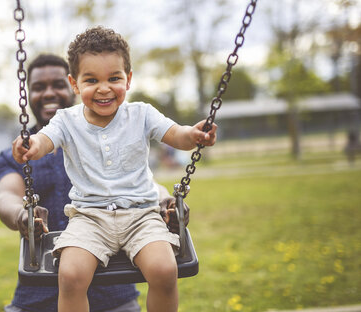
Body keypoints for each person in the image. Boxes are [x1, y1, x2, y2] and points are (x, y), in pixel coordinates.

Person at [12, 27, 217, 312]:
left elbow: (176, 135)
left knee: (164, 269)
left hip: (142, 215)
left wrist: (193, 135)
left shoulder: (142, 114)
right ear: (74, 83)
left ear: (128, 79)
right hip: (89, 218)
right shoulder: (66, 120)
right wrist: (31, 144)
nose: (104, 88)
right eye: (91, 80)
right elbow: (45, 140)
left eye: (114, 78)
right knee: (70, 275)